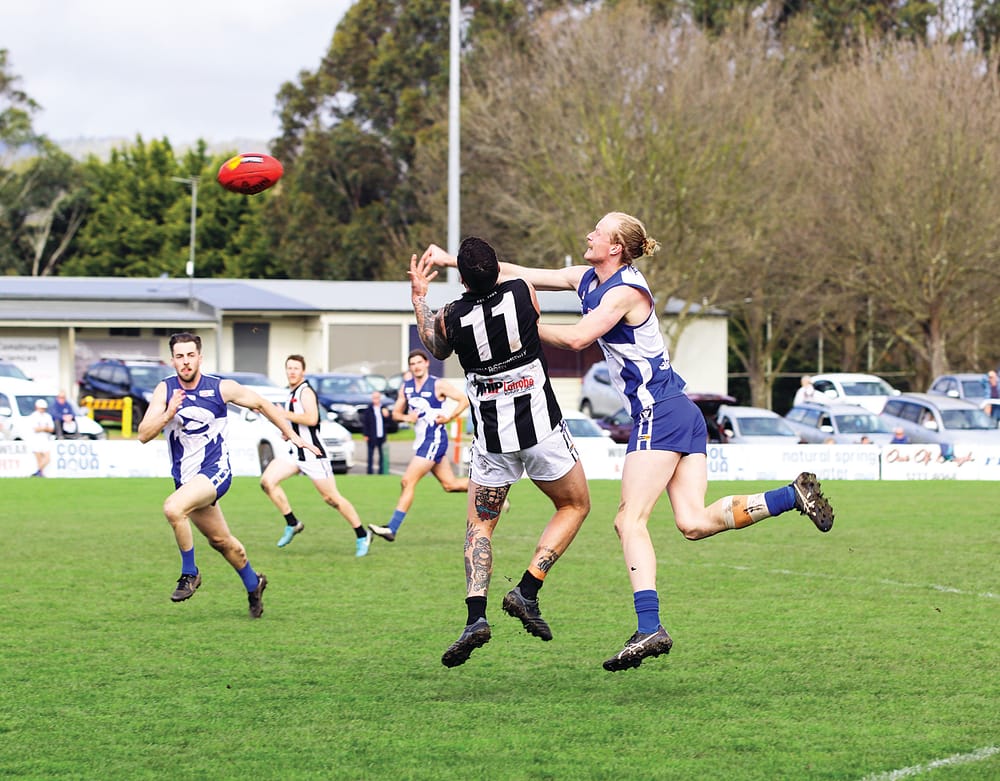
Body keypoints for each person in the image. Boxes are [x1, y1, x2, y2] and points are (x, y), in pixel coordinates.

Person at [427, 212, 835, 672]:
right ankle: (790, 496)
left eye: (597, 232)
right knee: (694, 523)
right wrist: (452, 263)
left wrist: (508, 333)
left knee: (629, 522)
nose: (588, 234)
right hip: (681, 409)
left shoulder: (624, 291)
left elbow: (581, 338)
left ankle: (649, 627)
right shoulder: (586, 278)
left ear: (616, 246)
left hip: (656, 412)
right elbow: (517, 273)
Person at [411, 237, 591, 667]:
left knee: (480, 527)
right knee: (574, 505)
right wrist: (463, 261)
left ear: (462, 280)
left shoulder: (452, 315)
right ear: (495, 269)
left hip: (492, 439)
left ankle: (476, 617)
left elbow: (435, 346)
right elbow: (513, 275)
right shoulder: (521, 293)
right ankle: (527, 590)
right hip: (541, 428)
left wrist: (420, 296)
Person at [138, 332, 321, 618]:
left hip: (215, 471)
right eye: (179, 356)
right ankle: (254, 584)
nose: (185, 362)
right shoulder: (165, 390)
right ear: (172, 360)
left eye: (190, 355)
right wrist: (168, 412)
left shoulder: (221, 388)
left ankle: (190, 573)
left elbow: (261, 403)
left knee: (173, 508)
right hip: (188, 480)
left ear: (200, 357)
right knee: (222, 542)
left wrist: (291, 435)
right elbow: (144, 434)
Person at [260, 354, 372, 557]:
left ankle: (362, 535)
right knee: (267, 482)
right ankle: (292, 523)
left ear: (303, 371)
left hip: (313, 455)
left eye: (296, 368)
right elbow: (296, 422)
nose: (292, 371)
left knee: (332, 498)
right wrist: (287, 433)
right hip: (295, 453)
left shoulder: (306, 391)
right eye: (289, 368)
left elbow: (312, 419)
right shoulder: (291, 392)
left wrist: (283, 415)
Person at [367, 349, 470, 544]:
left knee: (407, 481)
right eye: (412, 364)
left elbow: (464, 400)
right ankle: (491, 491)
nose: (416, 366)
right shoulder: (406, 387)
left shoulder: (438, 384)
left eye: (419, 362)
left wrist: (449, 417)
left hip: (435, 439)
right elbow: (396, 414)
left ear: (426, 363)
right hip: (422, 441)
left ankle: (392, 528)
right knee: (450, 485)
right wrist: (407, 417)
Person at [361, 389, 389, 475]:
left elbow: (389, 423)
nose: (375, 400)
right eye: (374, 398)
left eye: (377, 398)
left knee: (381, 455)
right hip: (371, 435)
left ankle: (381, 471)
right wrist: (366, 434)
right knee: (370, 455)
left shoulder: (383, 409)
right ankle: (370, 472)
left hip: (381, 435)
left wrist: (387, 416)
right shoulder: (369, 410)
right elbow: (365, 423)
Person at [26, 398, 55, 476]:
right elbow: (35, 429)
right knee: (39, 458)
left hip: (45, 438)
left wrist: (43, 428)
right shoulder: (33, 416)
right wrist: (45, 428)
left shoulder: (47, 416)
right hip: (36, 439)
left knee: (47, 458)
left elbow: (51, 428)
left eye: (43, 408)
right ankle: (40, 474)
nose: (42, 410)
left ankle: (37, 472)